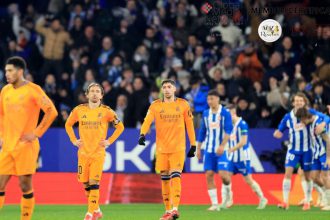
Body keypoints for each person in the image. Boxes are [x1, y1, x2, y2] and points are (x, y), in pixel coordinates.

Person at [0, 56, 58, 219]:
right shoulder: (5, 90)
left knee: (24, 185)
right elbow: (1, 115)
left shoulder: (33, 90)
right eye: (6, 71)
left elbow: (51, 111)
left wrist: (36, 133)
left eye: (10, 71)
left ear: (20, 71)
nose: (7, 74)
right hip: (7, 146)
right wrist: (2, 135)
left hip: (26, 146)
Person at [138, 79, 196, 220]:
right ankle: (168, 210)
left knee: (175, 176)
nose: (166, 89)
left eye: (169, 87)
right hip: (162, 149)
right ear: (161, 90)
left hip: (178, 148)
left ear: (175, 89)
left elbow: (189, 125)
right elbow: (147, 121)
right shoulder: (155, 105)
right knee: (164, 179)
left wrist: (193, 144)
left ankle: (175, 209)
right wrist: (142, 134)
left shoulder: (183, 104)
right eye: (164, 87)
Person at [65, 83, 124, 220]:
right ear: (87, 94)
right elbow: (68, 124)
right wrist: (74, 140)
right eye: (92, 91)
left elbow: (120, 127)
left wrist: (109, 141)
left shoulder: (107, 111)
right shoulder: (79, 110)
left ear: (102, 95)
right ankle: (96, 209)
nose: (95, 93)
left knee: (94, 183)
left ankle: (90, 214)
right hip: (83, 154)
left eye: (98, 91)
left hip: (98, 153)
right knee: (85, 184)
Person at [273, 92, 328, 210]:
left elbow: (326, 117)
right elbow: (280, 129)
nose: (298, 103)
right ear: (293, 103)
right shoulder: (288, 117)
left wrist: (323, 123)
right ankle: (285, 202)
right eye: (296, 101)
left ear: (304, 102)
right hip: (293, 150)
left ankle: (311, 199)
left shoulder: (310, 113)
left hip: (308, 151)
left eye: (301, 101)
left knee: (309, 176)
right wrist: (278, 133)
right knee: (288, 173)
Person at [196, 90, 233, 211]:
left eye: (211, 99)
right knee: (209, 175)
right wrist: (198, 148)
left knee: (224, 175)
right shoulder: (206, 113)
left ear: (217, 99)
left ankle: (228, 193)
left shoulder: (225, 113)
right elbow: (202, 131)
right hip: (209, 150)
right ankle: (215, 204)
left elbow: (228, 131)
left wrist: (222, 145)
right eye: (208, 99)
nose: (209, 101)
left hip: (222, 150)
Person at [227, 106, 268, 209]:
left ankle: (262, 198)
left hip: (243, 158)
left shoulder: (242, 124)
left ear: (233, 113)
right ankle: (229, 200)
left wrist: (232, 149)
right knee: (225, 177)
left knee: (248, 180)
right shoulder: (230, 125)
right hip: (233, 158)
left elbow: (243, 142)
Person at [296, 107, 330, 211]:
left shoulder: (318, 124)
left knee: (325, 177)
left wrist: (328, 157)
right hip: (316, 154)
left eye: (302, 120)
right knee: (313, 177)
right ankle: (325, 196)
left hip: (324, 153)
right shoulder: (310, 123)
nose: (301, 122)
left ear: (305, 117)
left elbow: (328, 140)